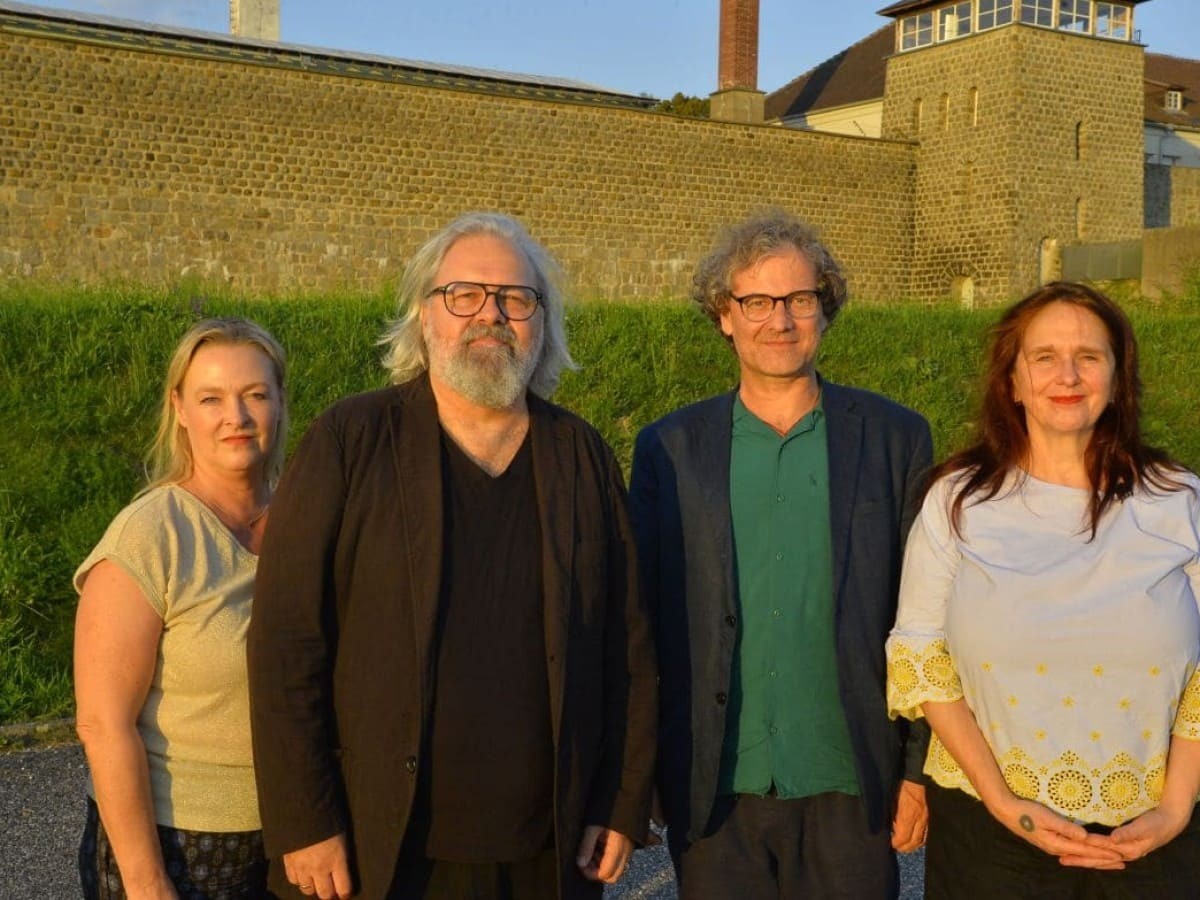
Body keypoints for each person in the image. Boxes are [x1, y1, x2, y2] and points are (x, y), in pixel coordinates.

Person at [246, 211, 656, 900]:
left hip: (543, 851)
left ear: (542, 321)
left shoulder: (579, 455)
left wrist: (620, 802)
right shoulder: (351, 440)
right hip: (384, 850)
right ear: (424, 315)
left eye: (515, 299)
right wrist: (303, 821)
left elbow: (629, 644)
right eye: (464, 294)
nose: (489, 316)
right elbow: (286, 642)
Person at [630, 210, 933, 899]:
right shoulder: (669, 449)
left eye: (800, 299)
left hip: (851, 777)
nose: (781, 319)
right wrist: (640, 771)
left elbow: (926, 618)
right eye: (757, 302)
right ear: (724, 315)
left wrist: (917, 771)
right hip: (714, 785)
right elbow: (641, 623)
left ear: (825, 311)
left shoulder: (895, 439)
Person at [886, 281, 1200, 897]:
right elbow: (920, 655)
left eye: (1089, 356)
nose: (1068, 375)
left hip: (1155, 838)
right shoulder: (957, 501)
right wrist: (1005, 803)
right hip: (991, 838)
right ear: (1014, 381)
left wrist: (1175, 808)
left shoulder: (1179, 499)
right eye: (1045, 357)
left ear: (1117, 376)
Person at [74, 317, 288, 898]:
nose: (236, 418)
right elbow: (103, 722)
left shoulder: (308, 522)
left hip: (292, 839)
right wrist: (146, 881)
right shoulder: (151, 535)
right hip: (179, 845)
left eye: (255, 396)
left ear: (279, 403)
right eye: (211, 398)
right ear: (181, 409)